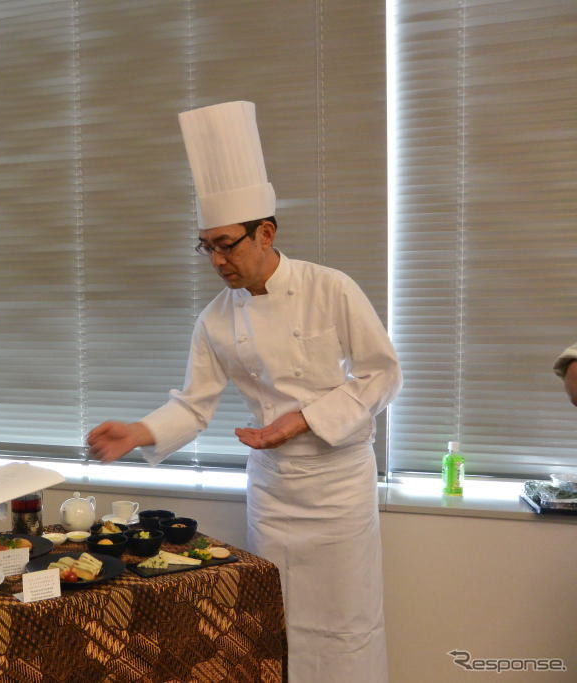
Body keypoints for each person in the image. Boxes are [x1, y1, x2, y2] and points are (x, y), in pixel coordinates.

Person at [86, 101, 402, 683]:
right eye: (207, 246)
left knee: (345, 625)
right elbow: (193, 403)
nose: (218, 259)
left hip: (338, 490)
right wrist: (139, 432)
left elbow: (382, 374)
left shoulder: (330, 288)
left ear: (267, 232)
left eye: (228, 243)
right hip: (275, 496)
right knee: (272, 625)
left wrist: (301, 419)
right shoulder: (215, 319)